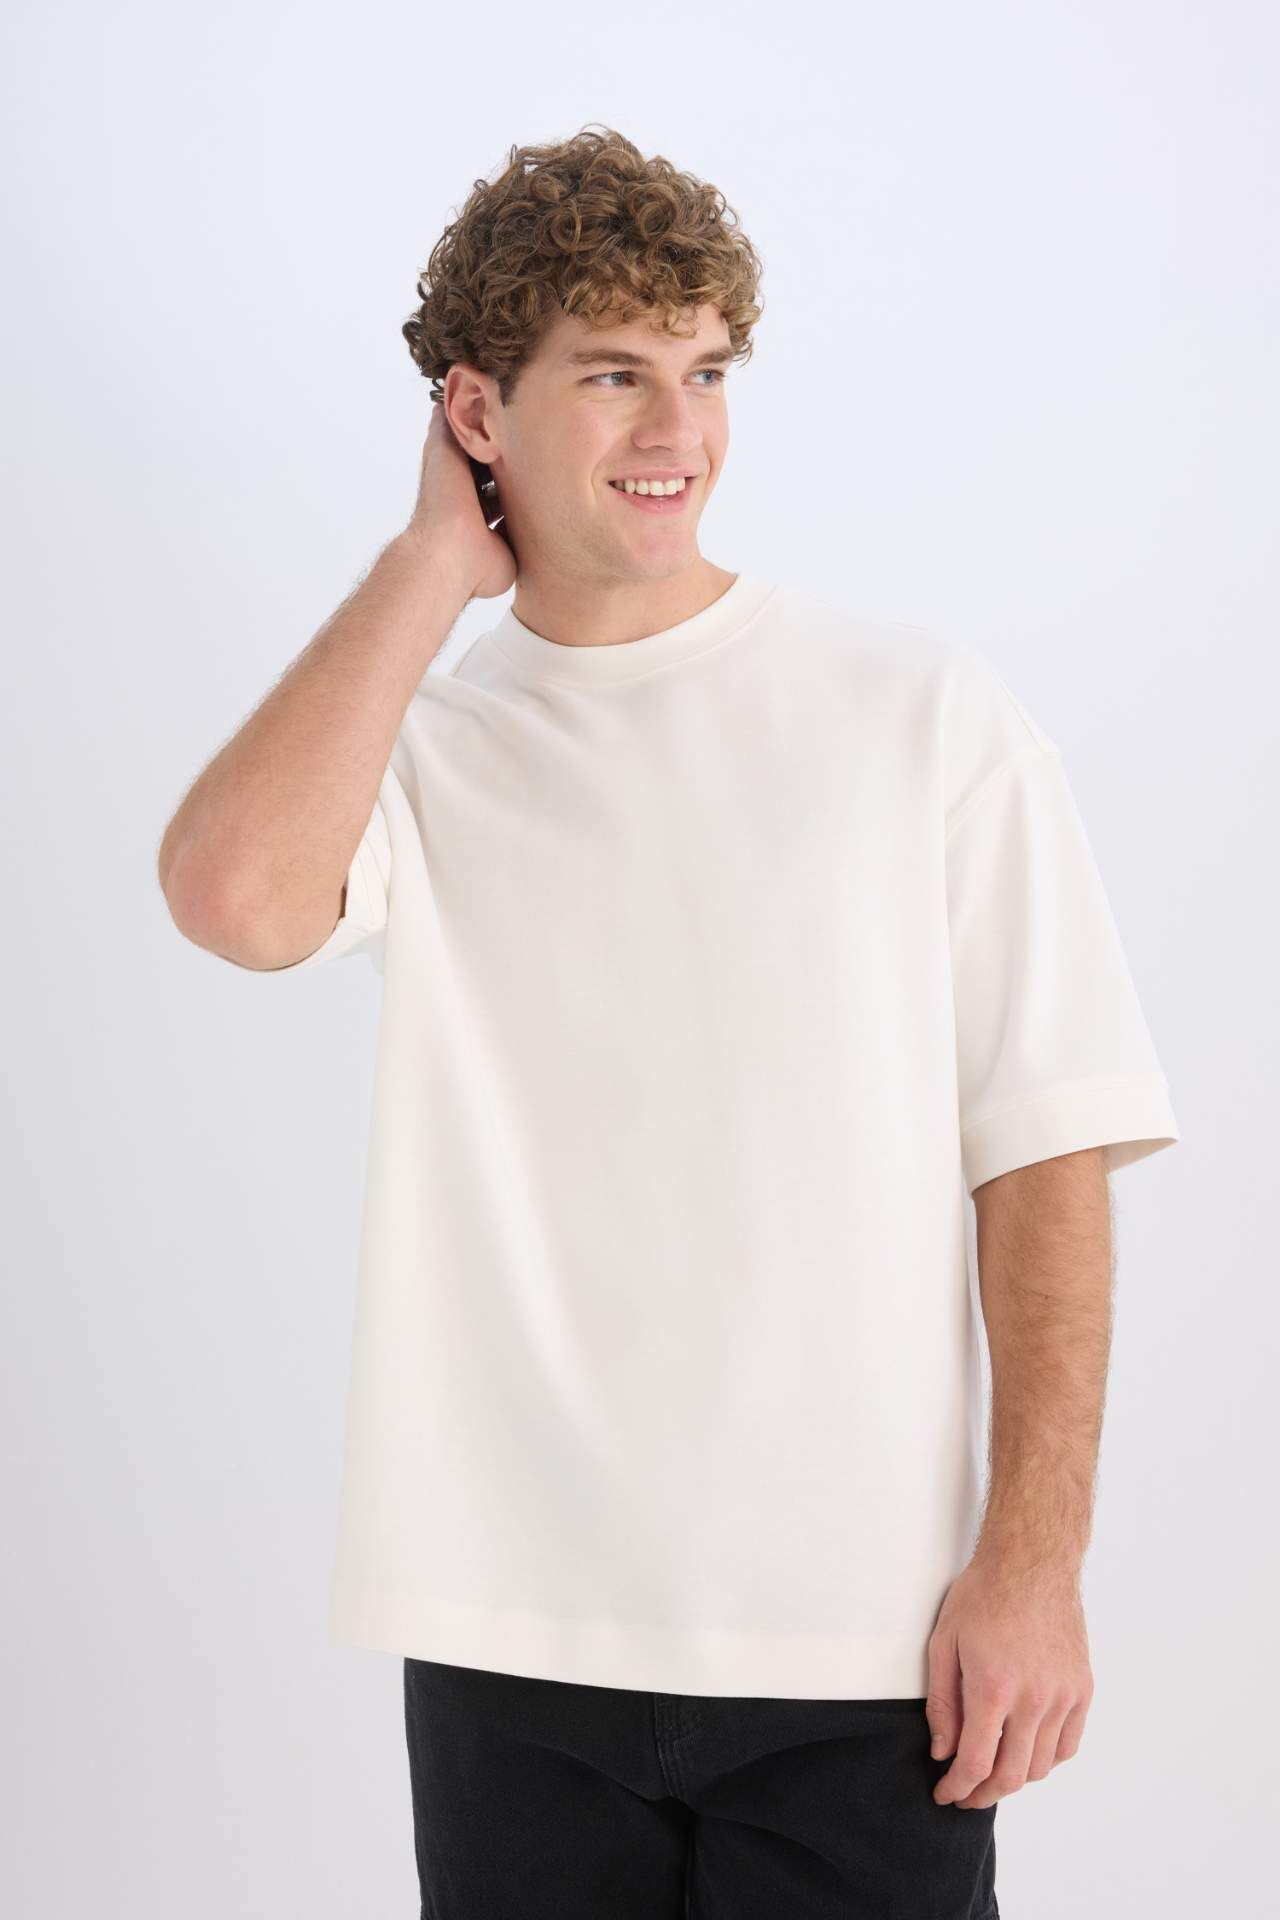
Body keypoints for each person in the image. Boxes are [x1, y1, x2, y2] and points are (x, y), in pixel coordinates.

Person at [157, 125, 1180, 1919]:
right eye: (613, 373)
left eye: (706, 372)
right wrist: (429, 565)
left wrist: (1034, 1563)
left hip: (862, 1643)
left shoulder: (917, 716)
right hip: (508, 1634)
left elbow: (1044, 1155)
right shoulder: (425, 749)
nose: (677, 430)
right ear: (477, 411)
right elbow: (234, 898)